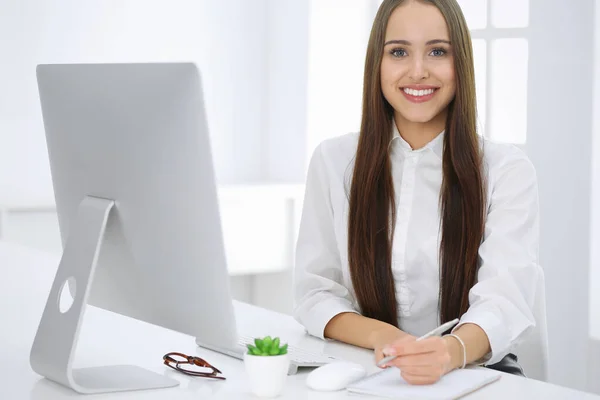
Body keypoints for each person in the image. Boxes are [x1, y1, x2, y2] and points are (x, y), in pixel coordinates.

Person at [293, 0, 540, 385]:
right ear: (378, 62)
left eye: (438, 51)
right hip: (370, 369)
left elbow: (504, 302)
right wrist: (390, 340)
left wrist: (448, 352)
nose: (418, 71)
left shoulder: (506, 170)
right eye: (399, 52)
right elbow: (316, 293)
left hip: (473, 374)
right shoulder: (333, 160)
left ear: (462, 65)